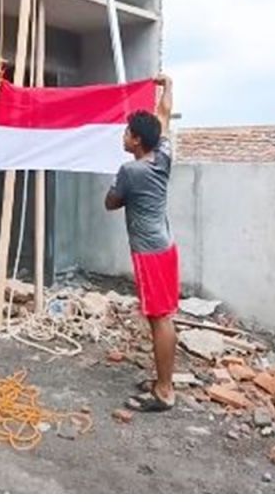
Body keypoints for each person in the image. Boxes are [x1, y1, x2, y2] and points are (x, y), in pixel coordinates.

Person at [104, 74, 179, 412]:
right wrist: (168, 87)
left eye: (126, 133)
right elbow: (163, 115)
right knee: (161, 315)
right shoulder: (163, 155)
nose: (122, 136)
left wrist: (115, 184)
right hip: (165, 246)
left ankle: (164, 391)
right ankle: (163, 381)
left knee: (159, 318)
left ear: (136, 141)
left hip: (149, 253)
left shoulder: (130, 171)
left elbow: (111, 203)